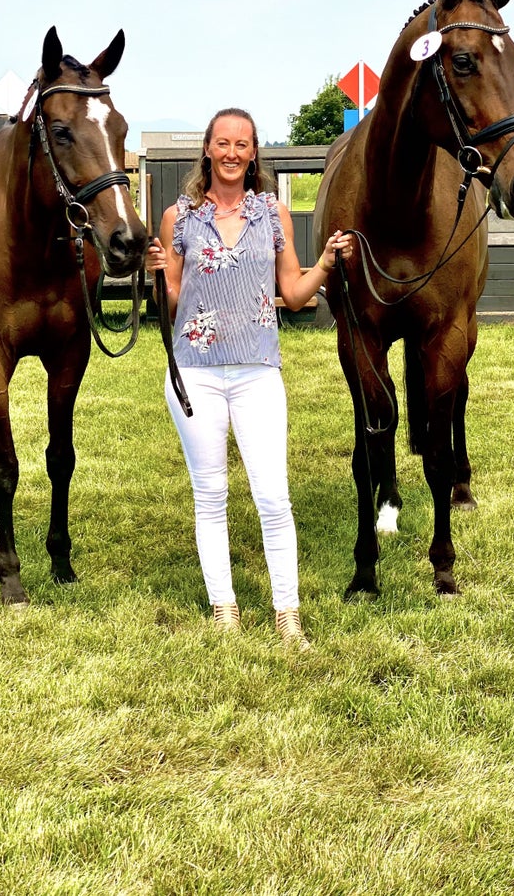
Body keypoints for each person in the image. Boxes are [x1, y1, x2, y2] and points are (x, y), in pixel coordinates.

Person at [145, 107, 353, 650]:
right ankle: (225, 608)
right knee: (209, 495)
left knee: (273, 497)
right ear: (208, 151)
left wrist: (326, 262)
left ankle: (288, 614)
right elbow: (173, 299)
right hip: (195, 372)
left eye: (243, 144)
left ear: (254, 152)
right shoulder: (179, 217)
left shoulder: (273, 214)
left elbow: (296, 293)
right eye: (223, 143)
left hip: (258, 370)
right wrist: (156, 273)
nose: (233, 153)